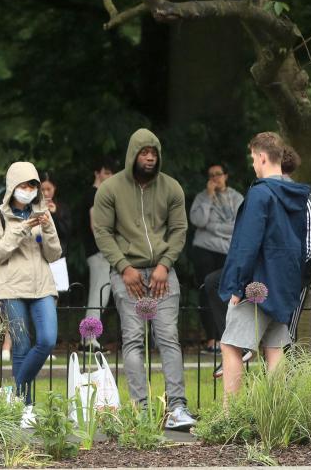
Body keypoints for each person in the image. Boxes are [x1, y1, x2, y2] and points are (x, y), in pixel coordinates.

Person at [92, 129, 195, 430]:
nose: (150, 157)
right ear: (132, 154)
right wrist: (124, 267)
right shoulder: (110, 189)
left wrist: (165, 265)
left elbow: (179, 230)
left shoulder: (171, 187)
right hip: (129, 275)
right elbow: (102, 233)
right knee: (134, 341)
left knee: (168, 339)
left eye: (154, 152)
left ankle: (176, 408)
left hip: (163, 273)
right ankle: (142, 410)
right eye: (143, 152)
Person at [219, 133, 311, 395]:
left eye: (253, 158)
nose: (252, 164)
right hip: (284, 285)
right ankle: (275, 416)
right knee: (274, 350)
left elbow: (247, 244)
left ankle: (230, 418)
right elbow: (302, 245)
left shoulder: (260, 194)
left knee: (231, 346)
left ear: (261, 157)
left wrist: (237, 286)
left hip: (256, 285)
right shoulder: (297, 196)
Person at [0, 162, 62, 428]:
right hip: (11, 287)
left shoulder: (42, 214)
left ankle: (14, 395)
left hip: (42, 286)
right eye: (24, 185)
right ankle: (26, 407)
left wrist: (48, 227)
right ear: (12, 187)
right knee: (20, 347)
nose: (29, 190)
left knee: (47, 339)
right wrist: (21, 229)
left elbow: (53, 254)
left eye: (33, 185)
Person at [190, 162, 244, 353]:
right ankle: (211, 338)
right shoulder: (202, 198)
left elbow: (239, 224)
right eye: (211, 175)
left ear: (226, 176)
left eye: (218, 174)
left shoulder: (237, 198)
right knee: (206, 291)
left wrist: (214, 228)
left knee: (227, 292)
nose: (215, 178)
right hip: (204, 250)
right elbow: (199, 221)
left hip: (227, 251)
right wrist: (209, 198)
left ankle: (227, 337)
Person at [81, 159, 115, 349]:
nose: (109, 177)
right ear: (97, 173)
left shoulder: (98, 194)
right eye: (106, 172)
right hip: (99, 252)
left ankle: (87, 336)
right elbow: (96, 225)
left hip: (99, 251)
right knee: (99, 294)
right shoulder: (95, 195)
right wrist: (108, 247)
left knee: (100, 293)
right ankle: (89, 336)